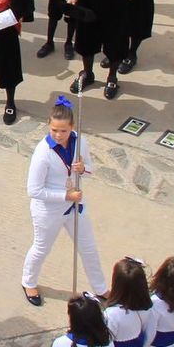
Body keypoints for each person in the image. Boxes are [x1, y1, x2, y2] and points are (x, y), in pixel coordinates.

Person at [21, 100, 107, 305]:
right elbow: (34, 190)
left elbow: (91, 169)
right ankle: (28, 281)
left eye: (63, 131)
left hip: (74, 206)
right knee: (42, 247)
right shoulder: (43, 153)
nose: (58, 135)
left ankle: (101, 288)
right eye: (54, 130)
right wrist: (65, 196)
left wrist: (83, 169)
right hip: (49, 210)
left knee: (88, 247)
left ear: (71, 128)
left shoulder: (80, 142)